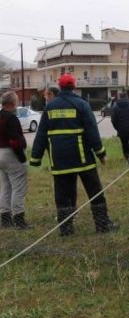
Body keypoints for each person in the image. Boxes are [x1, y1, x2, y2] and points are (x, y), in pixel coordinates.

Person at [30, 74, 118, 236]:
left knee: (64, 195)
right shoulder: (82, 105)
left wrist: (35, 158)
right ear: (74, 86)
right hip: (83, 158)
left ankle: (66, 229)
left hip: (60, 161)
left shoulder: (50, 107)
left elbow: (41, 134)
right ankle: (102, 225)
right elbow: (92, 132)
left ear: (60, 87)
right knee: (95, 191)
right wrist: (101, 154)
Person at [0, 92, 31, 229]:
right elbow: (15, 140)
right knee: (18, 188)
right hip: (11, 154)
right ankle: (19, 220)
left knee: (5, 187)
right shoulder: (11, 118)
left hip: (0, 155)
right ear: (12, 103)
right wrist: (22, 157)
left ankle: (5, 219)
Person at [111, 93, 129, 159]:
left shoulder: (115, 107)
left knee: (124, 144)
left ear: (119, 97)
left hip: (121, 130)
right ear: (126, 97)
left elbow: (113, 120)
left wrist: (117, 128)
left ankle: (127, 157)